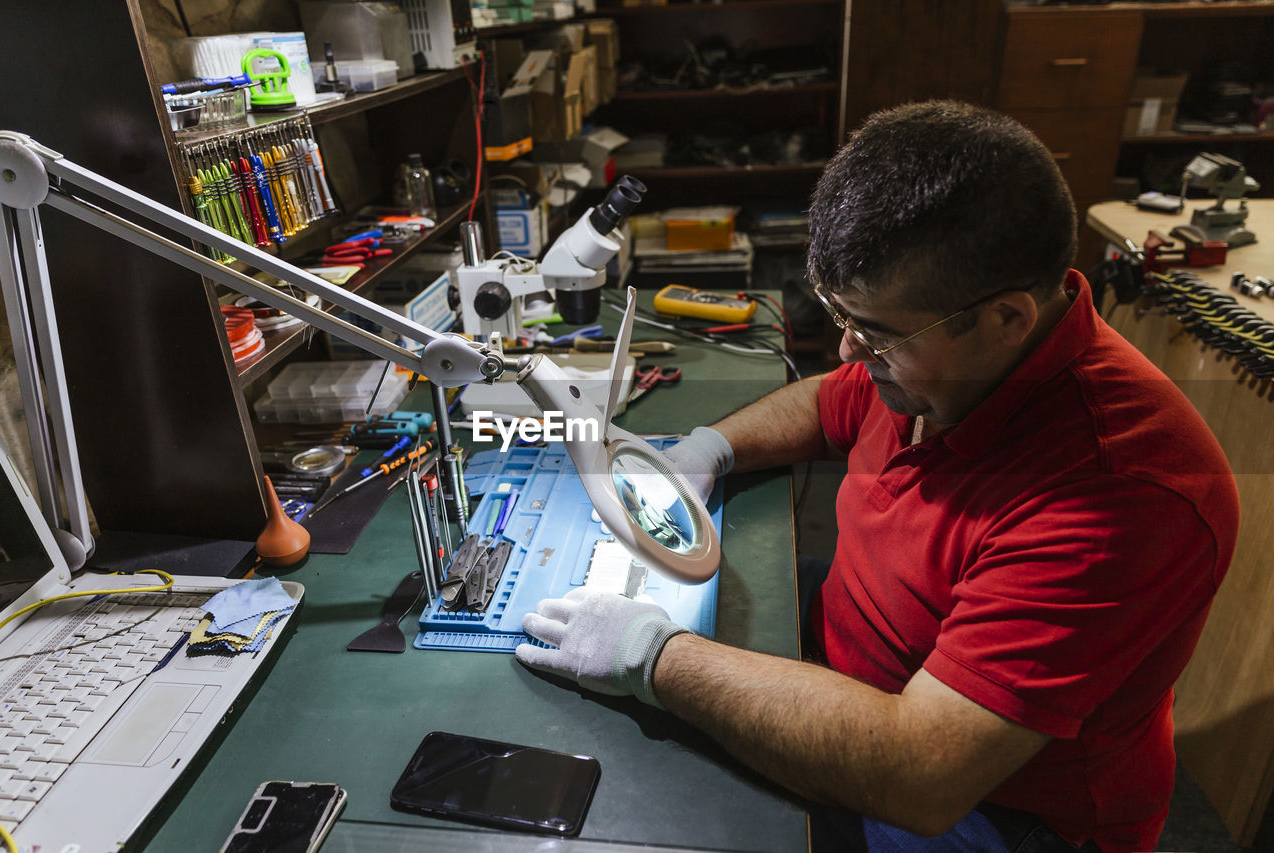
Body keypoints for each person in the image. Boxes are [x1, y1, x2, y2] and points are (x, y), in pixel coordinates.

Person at [514, 100, 1238, 853]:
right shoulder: (939, 366)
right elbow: (832, 400)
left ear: (1006, 320)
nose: (850, 349)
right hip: (865, 664)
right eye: (839, 313)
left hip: (992, 808)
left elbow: (920, 773)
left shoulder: (1120, 496)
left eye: (878, 332)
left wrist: (652, 655)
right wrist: (707, 450)